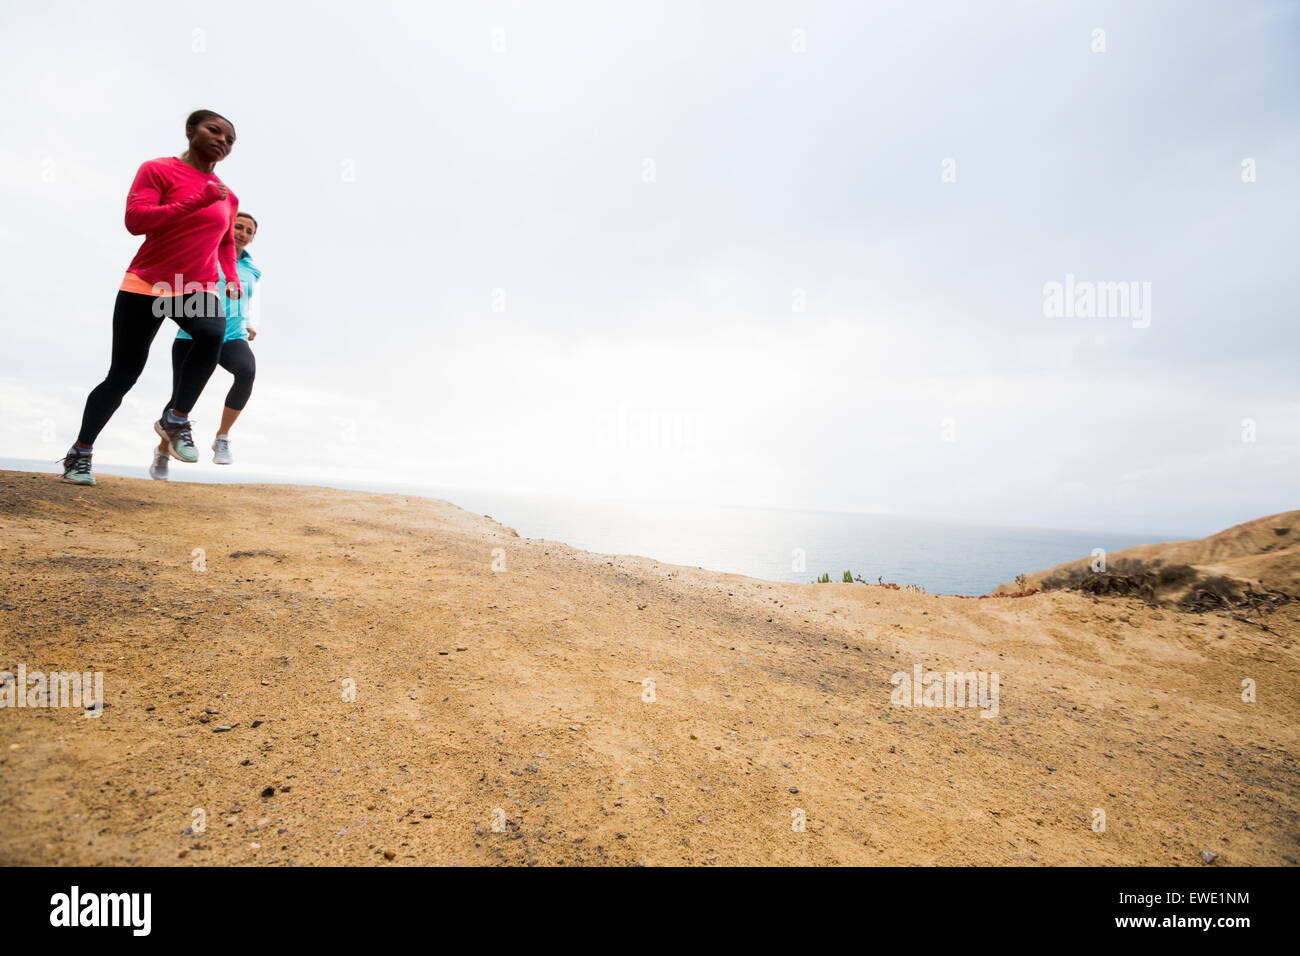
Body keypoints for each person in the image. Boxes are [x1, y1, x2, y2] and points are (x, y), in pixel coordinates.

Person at [60, 109, 242, 486]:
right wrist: (196, 200)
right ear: (191, 131)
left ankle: (175, 419)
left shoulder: (228, 195)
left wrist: (231, 277)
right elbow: (136, 221)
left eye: (230, 139)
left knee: (211, 333)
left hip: (196, 285)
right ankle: (81, 452)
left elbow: (225, 242)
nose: (222, 141)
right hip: (148, 284)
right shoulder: (157, 169)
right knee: (122, 376)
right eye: (214, 131)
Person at [150, 211, 261, 479]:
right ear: (227, 227)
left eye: (249, 231)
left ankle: (222, 437)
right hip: (195, 336)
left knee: (246, 372)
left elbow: (242, 300)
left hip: (232, 335)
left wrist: (246, 322)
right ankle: (164, 450)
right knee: (181, 396)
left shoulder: (252, 270)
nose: (243, 234)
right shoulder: (208, 252)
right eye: (239, 227)